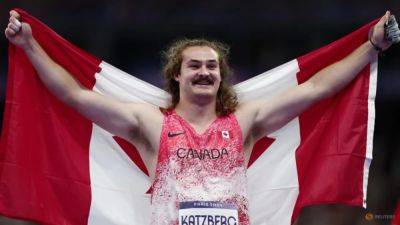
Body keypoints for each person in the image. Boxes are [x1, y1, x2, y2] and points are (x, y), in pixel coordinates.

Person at [4, 9, 395, 225]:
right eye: (194, 66)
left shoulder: (245, 120)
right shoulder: (151, 123)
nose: (204, 71)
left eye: (212, 66)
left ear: (222, 76)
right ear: (177, 74)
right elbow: (72, 94)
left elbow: (317, 89)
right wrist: (30, 45)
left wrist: (371, 47)